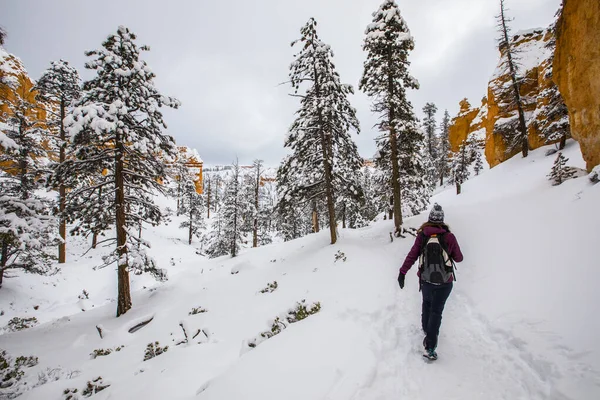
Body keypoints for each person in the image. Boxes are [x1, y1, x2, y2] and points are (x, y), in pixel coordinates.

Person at [397, 203, 463, 359]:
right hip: (445, 282)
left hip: (426, 280)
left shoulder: (423, 235)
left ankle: (427, 330)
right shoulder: (449, 237)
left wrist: (402, 272)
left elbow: (412, 255)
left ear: (430, 218)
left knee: (427, 303)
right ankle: (430, 346)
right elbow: (459, 258)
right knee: (437, 311)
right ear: (442, 220)